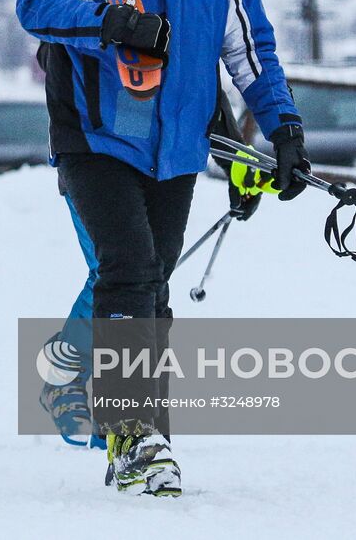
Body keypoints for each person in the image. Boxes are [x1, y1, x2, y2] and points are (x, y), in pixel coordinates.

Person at [17, 0, 311, 497]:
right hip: (95, 135)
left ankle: (133, 420)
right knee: (126, 271)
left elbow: (251, 55)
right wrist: (110, 20)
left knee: (152, 284)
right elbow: (36, 1)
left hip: (176, 150)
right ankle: (129, 434)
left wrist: (284, 131)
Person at [36, 90, 266, 451]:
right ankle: (68, 379)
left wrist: (235, 161)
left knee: (146, 278)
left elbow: (199, 82)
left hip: (161, 168)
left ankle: (129, 416)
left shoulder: (185, 36)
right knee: (116, 271)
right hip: (93, 158)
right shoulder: (91, 37)